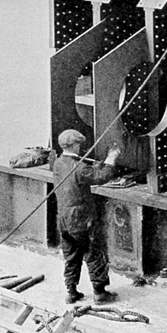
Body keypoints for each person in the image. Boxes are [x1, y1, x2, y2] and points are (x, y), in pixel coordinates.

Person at [53, 129, 121, 304]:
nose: (80, 148)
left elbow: (80, 176)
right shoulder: (80, 167)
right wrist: (111, 158)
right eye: (79, 145)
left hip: (64, 219)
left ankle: (72, 291)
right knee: (93, 252)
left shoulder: (58, 163)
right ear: (75, 145)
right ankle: (99, 293)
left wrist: (96, 166)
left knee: (71, 256)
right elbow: (103, 176)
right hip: (81, 219)